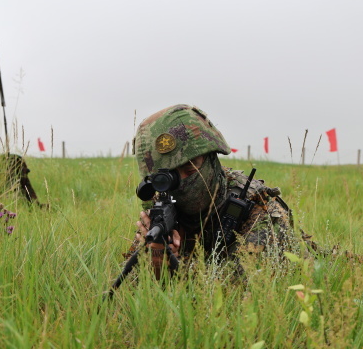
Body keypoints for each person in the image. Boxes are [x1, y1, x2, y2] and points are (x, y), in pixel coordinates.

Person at [126, 104, 295, 277]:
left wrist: (178, 267)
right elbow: (130, 286)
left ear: (212, 158)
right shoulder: (164, 211)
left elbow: (238, 288)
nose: (183, 181)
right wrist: (155, 264)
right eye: (169, 177)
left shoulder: (258, 208)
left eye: (190, 169)